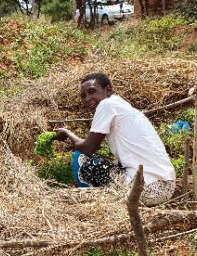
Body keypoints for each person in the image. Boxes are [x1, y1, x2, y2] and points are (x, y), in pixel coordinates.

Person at [54, 72, 176, 206]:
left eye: (92, 91)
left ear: (108, 90)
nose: (88, 98)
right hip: (166, 187)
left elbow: (88, 148)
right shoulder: (121, 106)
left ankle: (91, 200)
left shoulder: (107, 105)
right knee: (107, 163)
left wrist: (66, 132)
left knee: (85, 161)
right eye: (83, 96)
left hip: (147, 189)